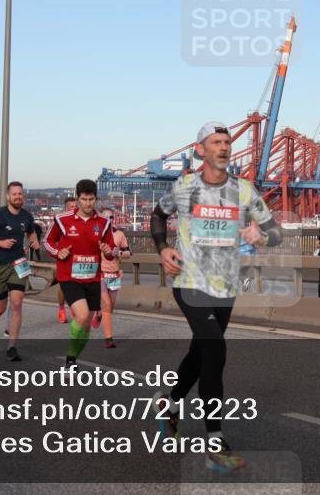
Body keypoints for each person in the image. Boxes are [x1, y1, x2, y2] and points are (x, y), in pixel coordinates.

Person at [151, 122, 283, 474]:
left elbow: (276, 232)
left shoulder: (244, 190)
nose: (224, 147)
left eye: (227, 142)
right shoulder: (184, 187)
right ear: (201, 150)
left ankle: (170, 403)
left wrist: (262, 235)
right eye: (216, 142)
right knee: (215, 350)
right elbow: (157, 216)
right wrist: (163, 249)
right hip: (190, 282)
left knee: (200, 354)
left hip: (226, 286)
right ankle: (215, 443)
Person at [44, 180, 117, 368]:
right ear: (77, 199)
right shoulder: (63, 220)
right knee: (83, 316)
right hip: (69, 276)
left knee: (85, 327)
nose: (87, 203)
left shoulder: (103, 222)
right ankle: (70, 360)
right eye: (83, 199)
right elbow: (47, 241)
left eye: (91, 199)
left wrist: (108, 250)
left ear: (96, 199)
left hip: (92, 277)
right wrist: (57, 252)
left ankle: (72, 356)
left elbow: (112, 250)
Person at [0, 181, 40, 362]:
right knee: (0, 306)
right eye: (14, 194)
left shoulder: (27, 216)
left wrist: (34, 241)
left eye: (20, 194)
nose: (17, 197)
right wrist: (0, 244)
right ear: (8, 196)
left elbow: (31, 232)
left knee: (17, 302)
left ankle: (12, 346)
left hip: (18, 263)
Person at [93, 206, 132, 348]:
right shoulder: (96, 234)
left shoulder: (119, 234)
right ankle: (108, 339)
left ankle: (99, 312)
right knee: (107, 304)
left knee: (110, 307)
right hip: (100, 274)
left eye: (111, 218)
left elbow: (128, 253)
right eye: (105, 217)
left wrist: (119, 253)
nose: (108, 220)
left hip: (114, 274)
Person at [51, 196, 77, 324]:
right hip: (64, 259)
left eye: (75, 206)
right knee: (63, 286)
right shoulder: (60, 222)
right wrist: (58, 251)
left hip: (78, 260)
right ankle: (61, 308)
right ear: (66, 208)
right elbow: (49, 239)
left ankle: (75, 307)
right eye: (71, 207)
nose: (74, 209)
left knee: (77, 285)